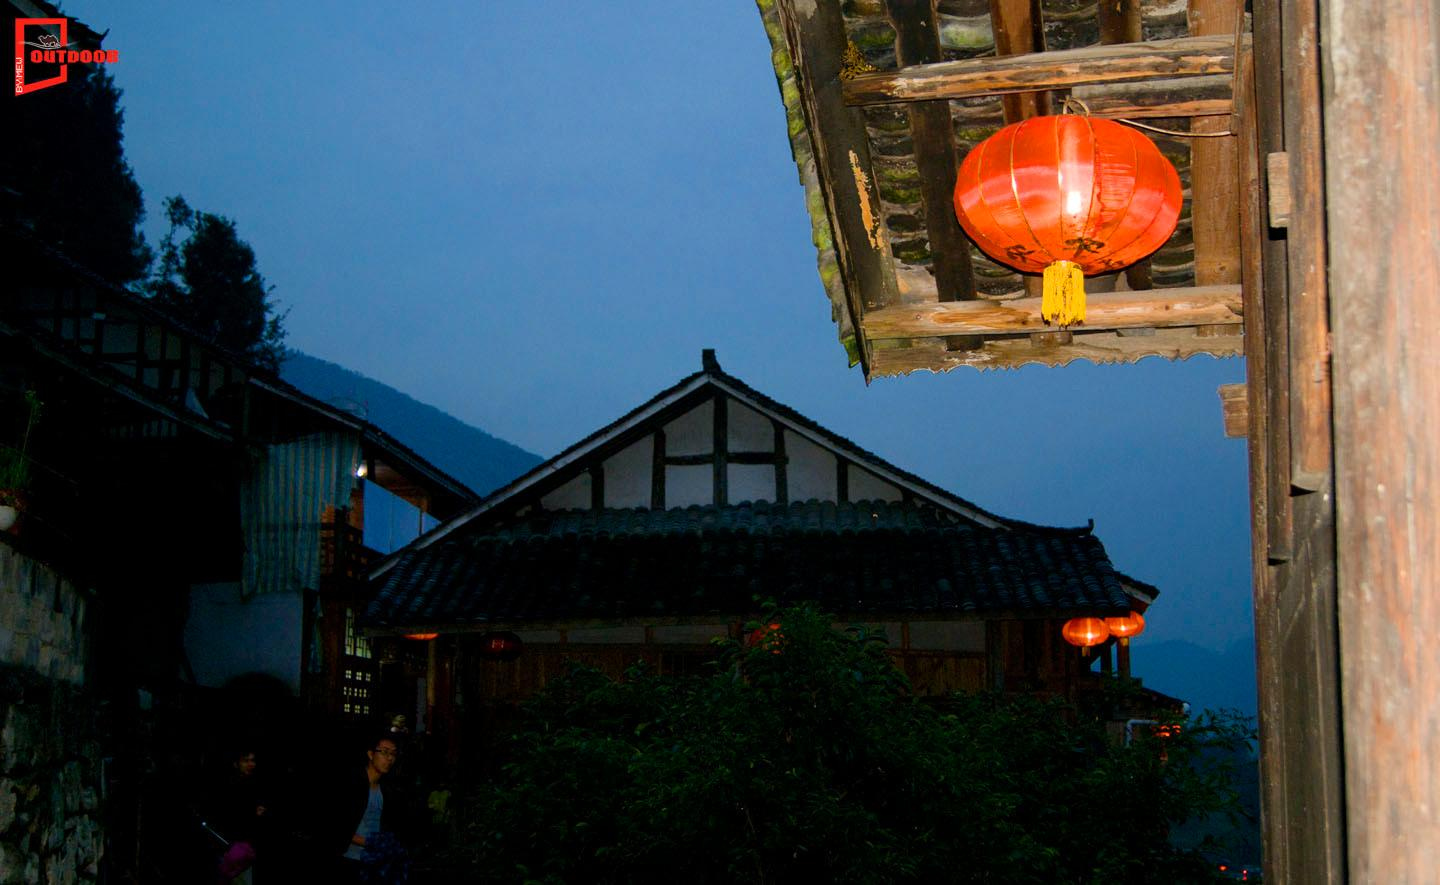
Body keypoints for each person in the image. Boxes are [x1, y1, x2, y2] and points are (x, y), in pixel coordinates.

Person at [328, 735, 408, 883]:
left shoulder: (387, 791)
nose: (390, 758)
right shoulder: (351, 784)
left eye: (393, 753)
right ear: (371, 754)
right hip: (349, 859)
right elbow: (335, 826)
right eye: (384, 752)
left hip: (374, 861)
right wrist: (370, 842)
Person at [208, 747, 268, 884]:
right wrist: (253, 814)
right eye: (246, 761)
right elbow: (228, 816)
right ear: (236, 764)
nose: (251, 764)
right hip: (233, 847)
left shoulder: (252, 783)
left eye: (252, 760)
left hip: (245, 848)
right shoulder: (230, 785)